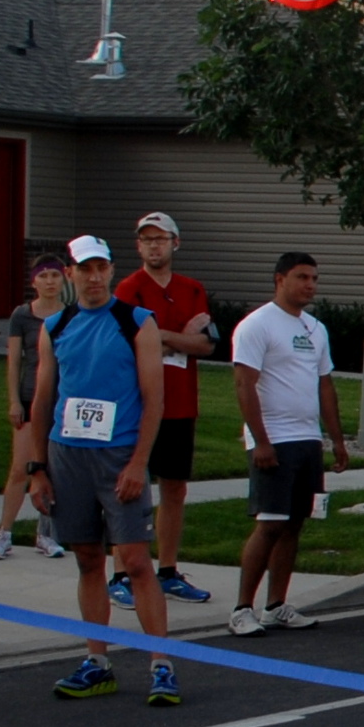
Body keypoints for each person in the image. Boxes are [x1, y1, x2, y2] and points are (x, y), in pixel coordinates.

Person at [23, 236, 179, 707]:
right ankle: (97, 661)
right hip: (68, 455)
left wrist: (138, 462)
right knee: (88, 558)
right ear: (70, 274)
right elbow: (43, 400)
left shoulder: (136, 322)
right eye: (85, 269)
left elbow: (155, 399)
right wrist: (37, 469)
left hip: (119, 455)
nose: (94, 278)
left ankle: (162, 663)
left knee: (134, 561)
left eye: (101, 268)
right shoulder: (56, 326)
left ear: (111, 271)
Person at [224, 251, 347, 637]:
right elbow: (244, 384)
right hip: (275, 438)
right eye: (302, 277)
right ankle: (242, 609)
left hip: (307, 438)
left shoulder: (315, 329)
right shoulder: (256, 325)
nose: (310, 285)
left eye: (314, 278)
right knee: (270, 523)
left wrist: (336, 439)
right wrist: (261, 440)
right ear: (280, 280)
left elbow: (325, 385)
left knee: (294, 523)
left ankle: (276, 604)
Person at [114, 210, 221, 606]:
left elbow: (206, 344)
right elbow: (128, 340)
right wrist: (178, 337)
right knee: (129, 486)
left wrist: (161, 337)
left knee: (174, 488)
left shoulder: (192, 289)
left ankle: (168, 571)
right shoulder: (129, 288)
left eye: (160, 239)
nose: (153, 246)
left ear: (175, 243)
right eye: (147, 239)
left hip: (180, 402)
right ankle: (122, 574)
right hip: (138, 403)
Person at [0, 256, 69, 560]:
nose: (50, 281)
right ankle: (4, 532)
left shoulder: (72, 314)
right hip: (31, 397)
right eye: (43, 276)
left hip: (61, 401)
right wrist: (14, 400)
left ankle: (46, 534)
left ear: (64, 279)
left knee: (53, 470)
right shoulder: (23, 315)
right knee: (21, 467)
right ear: (34, 281)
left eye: (55, 275)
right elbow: (14, 360)